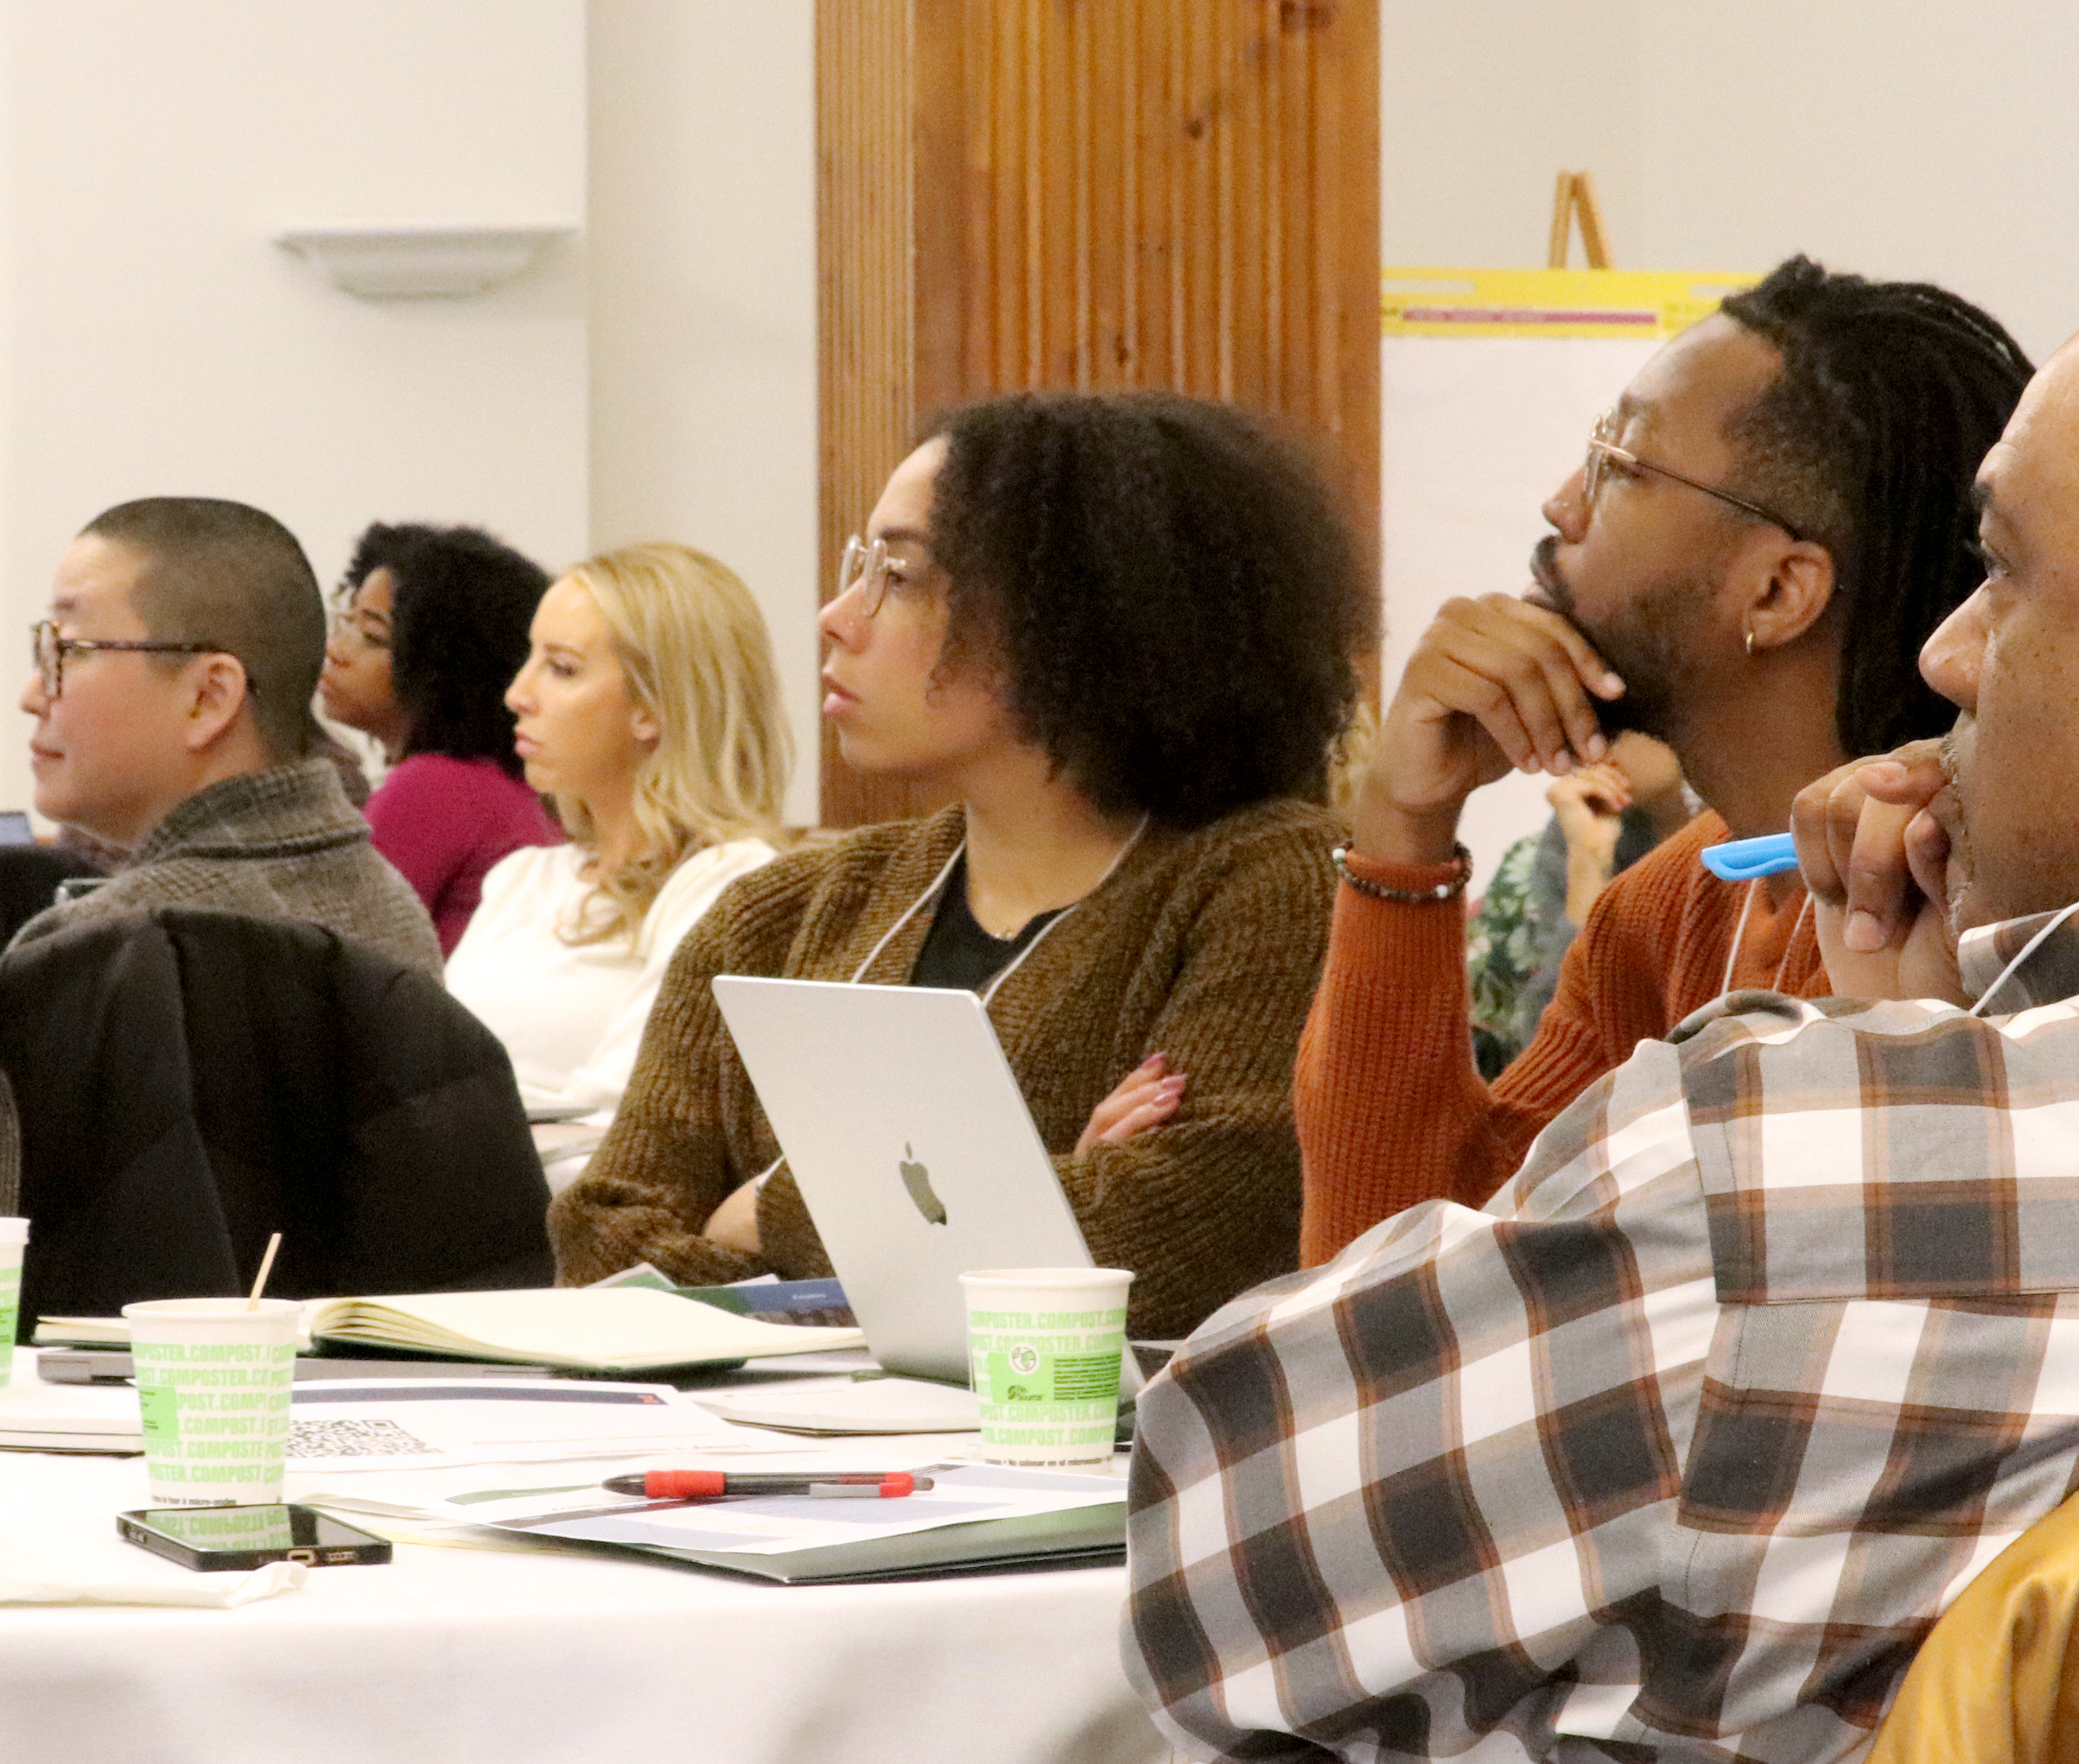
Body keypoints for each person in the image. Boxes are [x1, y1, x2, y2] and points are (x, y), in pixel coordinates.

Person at [167, 269, 2079, 1764]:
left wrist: (1850, 1044)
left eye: (2000, 580)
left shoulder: (1821, 1165)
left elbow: (1223, 1569)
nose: (1938, 646)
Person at [547, 391, 1366, 1341]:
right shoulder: (779, 911)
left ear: (1078, 615)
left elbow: (1167, 1240)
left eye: (896, 576)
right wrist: (1024, 1192)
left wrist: (767, 1209)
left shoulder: (1271, 883)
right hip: (761, 1467)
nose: (834, 616)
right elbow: (603, 1244)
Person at [1296, 257, 2030, 1263]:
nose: (1561, 505)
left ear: (1775, 591)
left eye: (1618, 464)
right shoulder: (1665, 908)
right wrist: (1400, 826)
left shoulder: (1953, 899)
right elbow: (1391, 1280)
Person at [439, 542, 789, 1143]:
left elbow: (623, 1128)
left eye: (562, 667)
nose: (517, 694)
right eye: (531, 658)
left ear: (652, 706)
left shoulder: (730, 883)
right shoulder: (521, 878)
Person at [9, 496, 441, 978]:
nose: (32, 694)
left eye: (67, 649)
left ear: (208, 698)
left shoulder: (99, 947)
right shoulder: (394, 914)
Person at [321, 522, 563, 951]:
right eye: (347, 622)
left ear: (445, 665)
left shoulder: (434, 787)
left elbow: (332, 958)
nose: (337, 651)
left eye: (373, 637)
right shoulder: (514, 783)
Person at [1462, 734, 1685, 1075]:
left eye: (1617, 719)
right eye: (1577, 723)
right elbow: (1548, 1065)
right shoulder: (1567, 842)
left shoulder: (1758, 823)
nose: (1590, 747)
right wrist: (1588, 871)